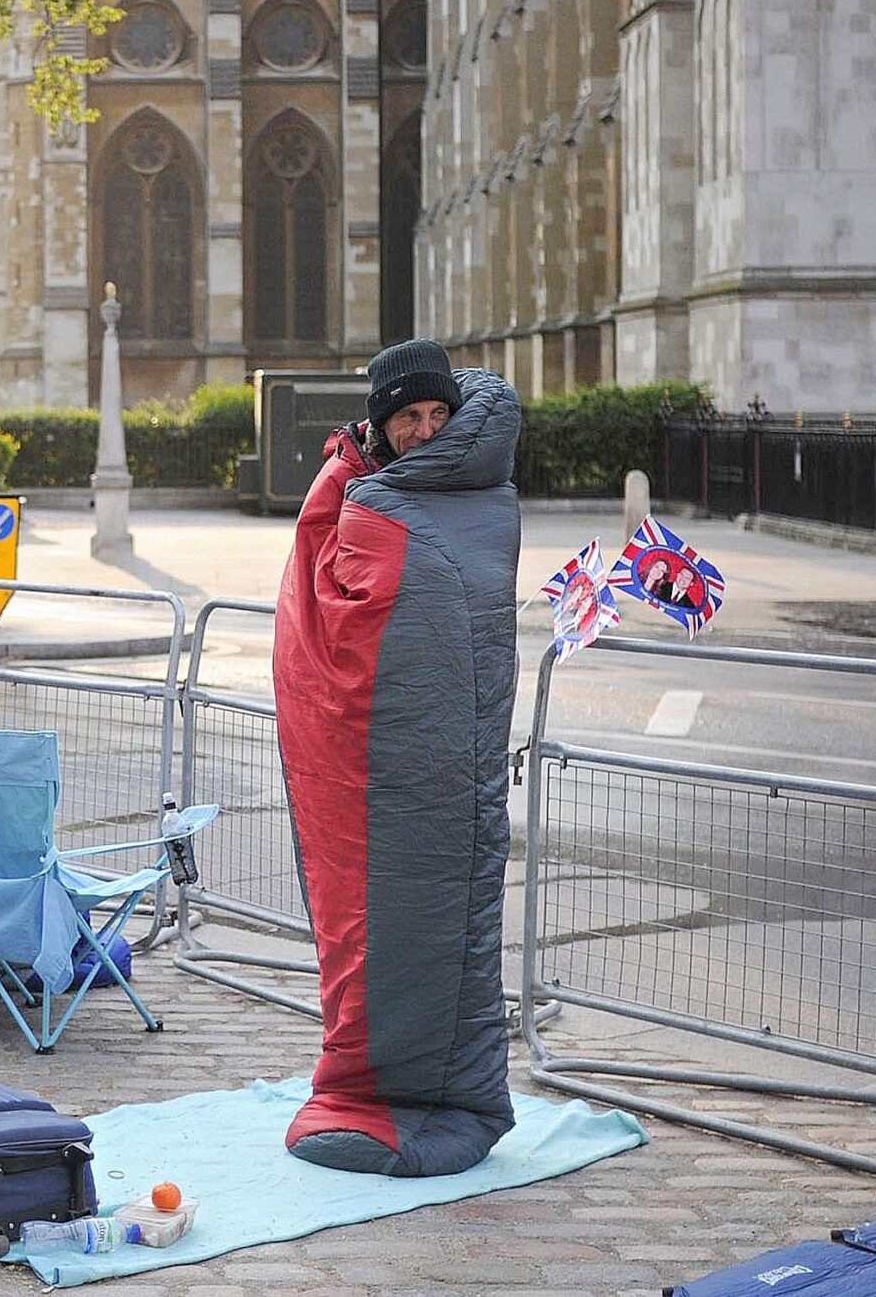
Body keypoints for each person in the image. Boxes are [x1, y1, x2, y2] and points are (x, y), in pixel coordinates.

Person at [270, 338, 521, 1179]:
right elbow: (315, 607)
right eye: (408, 416)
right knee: (359, 917)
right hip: (367, 770)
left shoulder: (451, 496)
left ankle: (435, 1091)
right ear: (381, 422)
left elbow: (454, 600)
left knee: (432, 914)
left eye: (436, 414)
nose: (424, 430)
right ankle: (370, 1074)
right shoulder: (359, 484)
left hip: (435, 768)